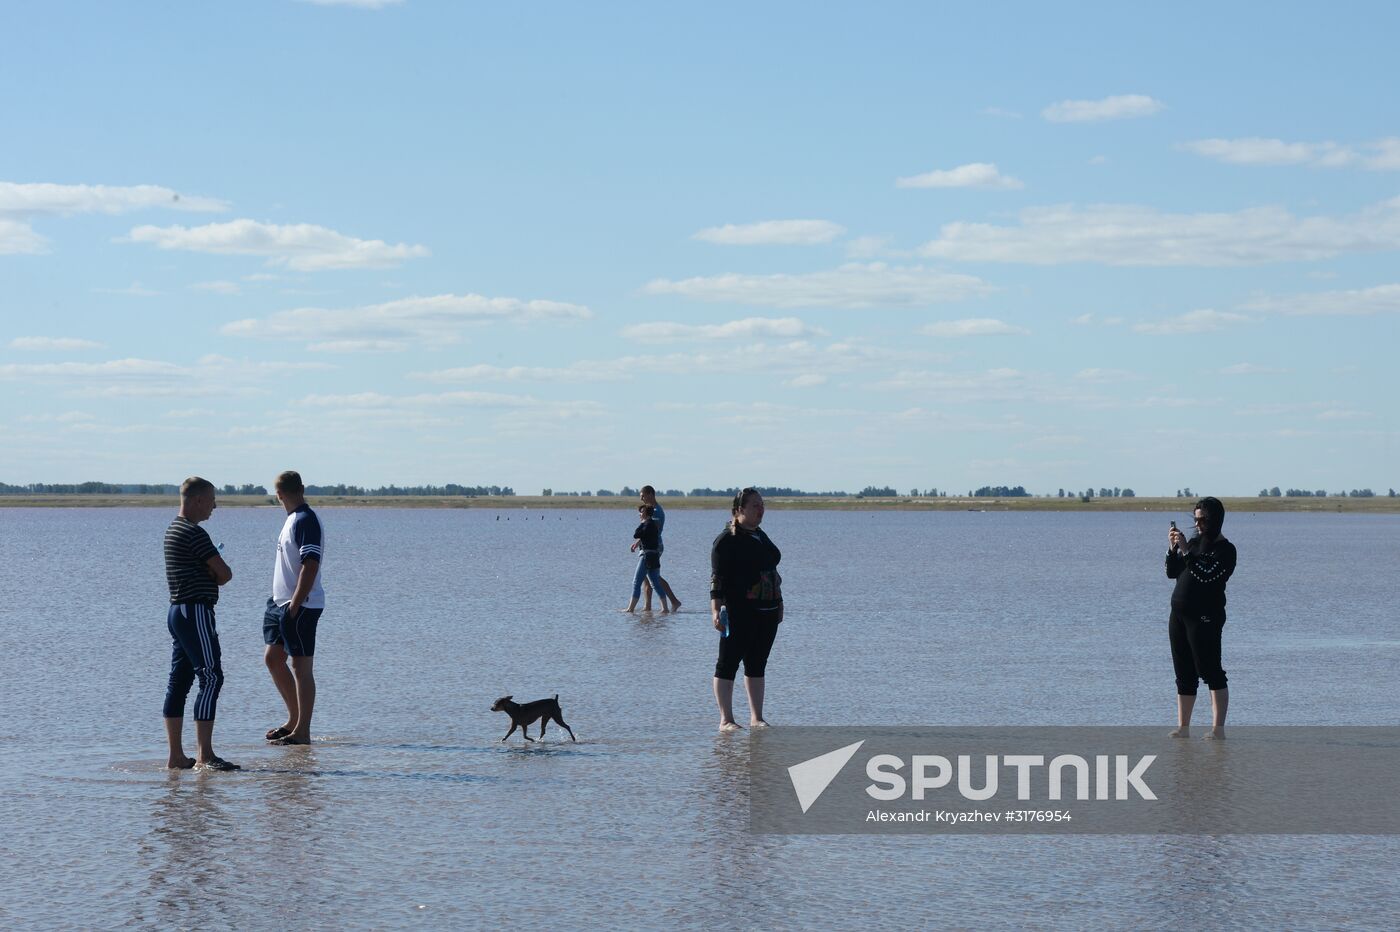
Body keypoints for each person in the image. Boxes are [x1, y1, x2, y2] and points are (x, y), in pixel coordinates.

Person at [162, 476, 237, 770]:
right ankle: (205, 755)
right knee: (211, 676)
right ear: (197, 500)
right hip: (195, 611)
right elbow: (225, 574)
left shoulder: (172, 530)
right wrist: (213, 573)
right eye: (212, 500)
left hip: (177, 611)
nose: (214, 506)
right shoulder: (194, 533)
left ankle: (176, 756)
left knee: (179, 682)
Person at [709, 488, 782, 731]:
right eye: (755, 506)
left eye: (762, 505)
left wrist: (780, 602)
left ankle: (756, 717)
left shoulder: (760, 535)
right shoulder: (726, 540)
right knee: (727, 663)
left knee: (757, 663)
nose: (760, 509)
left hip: (768, 610)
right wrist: (715, 610)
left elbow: (772, 572)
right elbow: (717, 580)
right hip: (739, 611)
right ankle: (726, 720)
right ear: (739, 510)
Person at [262, 471, 326, 746]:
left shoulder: (305, 519)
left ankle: (303, 731)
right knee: (273, 659)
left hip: (301, 605)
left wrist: (295, 605)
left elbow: (310, 565)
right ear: (301, 488)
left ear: (277, 494)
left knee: (301, 666)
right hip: (280, 602)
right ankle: (294, 720)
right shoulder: (292, 520)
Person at [1165, 496, 1236, 739]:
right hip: (1179, 616)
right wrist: (1173, 549)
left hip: (1206, 616)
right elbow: (1172, 572)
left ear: (1215, 520)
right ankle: (1183, 728)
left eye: (1202, 520)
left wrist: (1185, 550)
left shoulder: (1226, 550)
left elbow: (1205, 576)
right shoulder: (1193, 544)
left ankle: (1218, 730)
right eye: (1195, 520)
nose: (1198, 526)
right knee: (1184, 674)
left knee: (1210, 671)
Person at [638, 486, 680, 612]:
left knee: (651, 576)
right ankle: (648, 607)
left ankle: (673, 601)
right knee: (648, 576)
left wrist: (639, 540)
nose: (642, 499)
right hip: (648, 546)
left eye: (643, 496)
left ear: (650, 494)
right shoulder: (650, 510)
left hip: (654, 547)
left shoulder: (656, 511)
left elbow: (651, 531)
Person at [625, 504, 668, 614]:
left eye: (641, 512)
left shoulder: (647, 524)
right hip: (654, 556)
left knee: (636, 582)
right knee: (655, 583)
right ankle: (665, 609)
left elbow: (636, 534)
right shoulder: (652, 524)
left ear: (646, 513)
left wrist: (642, 523)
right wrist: (637, 544)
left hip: (646, 557)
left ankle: (630, 609)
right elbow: (643, 536)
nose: (639, 514)